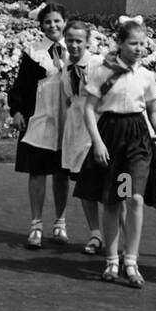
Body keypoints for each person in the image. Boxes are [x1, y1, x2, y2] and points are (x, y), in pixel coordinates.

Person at [76, 16, 156, 287]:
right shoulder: (104, 72)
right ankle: (112, 260)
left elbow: (154, 112)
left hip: (137, 138)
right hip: (112, 136)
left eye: (142, 44)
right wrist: (98, 141)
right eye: (133, 43)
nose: (138, 49)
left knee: (135, 198)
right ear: (120, 43)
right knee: (115, 199)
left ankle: (131, 260)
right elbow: (89, 108)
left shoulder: (147, 76)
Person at [8, 3, 69, 249]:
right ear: (41, 25)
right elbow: (21, 85)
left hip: (66, 120)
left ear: (65, 21)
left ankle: (60, 223)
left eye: (57, 21)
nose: (53, 26)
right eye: (47, 22)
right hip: (40, 117)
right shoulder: (34, 52)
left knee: (61, 173)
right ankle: (36, 226)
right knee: (37, 171)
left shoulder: (75, 48)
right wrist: (17, 110)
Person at [60, 18, 105, 254]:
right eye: (70, 40)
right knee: (84, 184)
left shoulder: (99, 65)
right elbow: (69, 96)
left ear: (88, 42)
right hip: (77, 131)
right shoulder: (67, 66)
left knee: (125, 189)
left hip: (101, 129)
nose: (74, 45)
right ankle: (96, 234)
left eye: (79, 41)